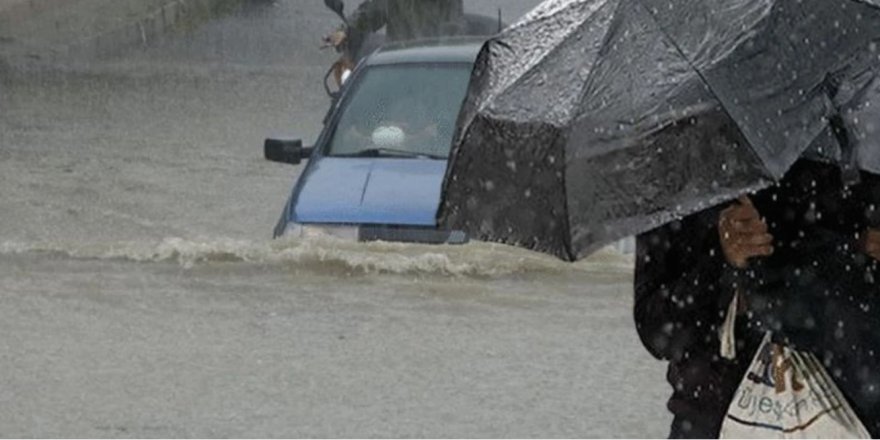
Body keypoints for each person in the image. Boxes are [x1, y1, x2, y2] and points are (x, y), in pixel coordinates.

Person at [635, 157, 880, 438]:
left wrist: (855, 250)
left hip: (848, 417)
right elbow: (657, 331)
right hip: (712, 417)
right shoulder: (677, 171)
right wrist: (722, 262)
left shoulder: (857, 153)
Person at [347, 0, 465, 43]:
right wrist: (346, 31)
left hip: (436, 63)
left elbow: (454, 27)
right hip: (399, 61)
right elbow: (371, 13)